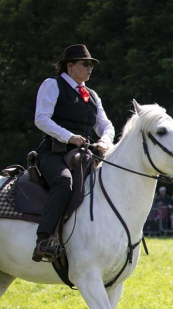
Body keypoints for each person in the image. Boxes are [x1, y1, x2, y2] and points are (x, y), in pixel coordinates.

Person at [32, 44, 115, 262]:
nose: (90, 69)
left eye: (91, 66)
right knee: (63, 182)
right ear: (70, 66)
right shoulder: (52, 85)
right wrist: (69, 137)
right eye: (85, 64)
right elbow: (41, 119)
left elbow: (105, 124)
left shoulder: (92, 95)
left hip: (85, 156)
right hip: (54, 153)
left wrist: (106, 140)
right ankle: (44, 239)